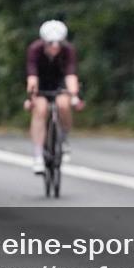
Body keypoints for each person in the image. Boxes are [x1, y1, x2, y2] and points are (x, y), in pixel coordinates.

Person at [25, 20, 84, 174]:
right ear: (44, 42)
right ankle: (38, 155)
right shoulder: (35, 50)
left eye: (59, 43)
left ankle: (63, 139)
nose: (55, 47)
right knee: (40, 109)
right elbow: (32, 77)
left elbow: (71, 75)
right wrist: (31, 97)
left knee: (64, 105)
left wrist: (74, 96)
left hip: (60, 84)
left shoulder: (68, 50)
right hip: (41, 85)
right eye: (51, 43)